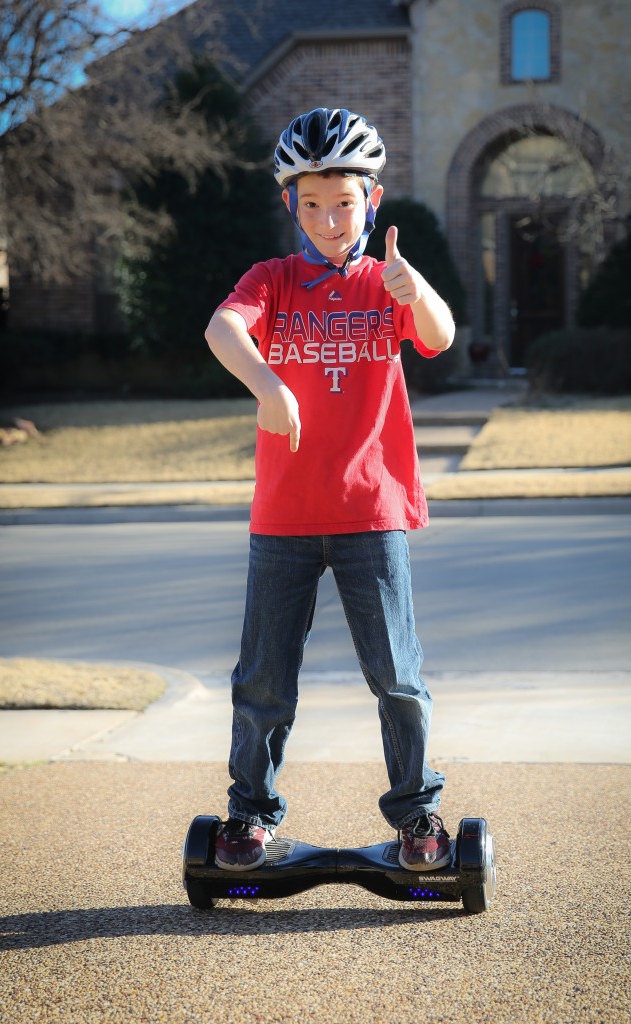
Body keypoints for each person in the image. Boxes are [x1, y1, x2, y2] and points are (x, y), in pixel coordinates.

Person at [204, 107, 455, 873]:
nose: (327, 219)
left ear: (371, 202)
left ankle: (417, 817)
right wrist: (267, 381)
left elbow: (439, 338)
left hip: (370, 514)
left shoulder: (389, 282)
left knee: (397, 679)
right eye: (310, 203)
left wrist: (415, 293)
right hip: (281, 520)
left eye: (343, 203)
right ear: (290, 205)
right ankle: (248, 817)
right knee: (264, 682)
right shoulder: (271, 281)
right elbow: (223, 330)